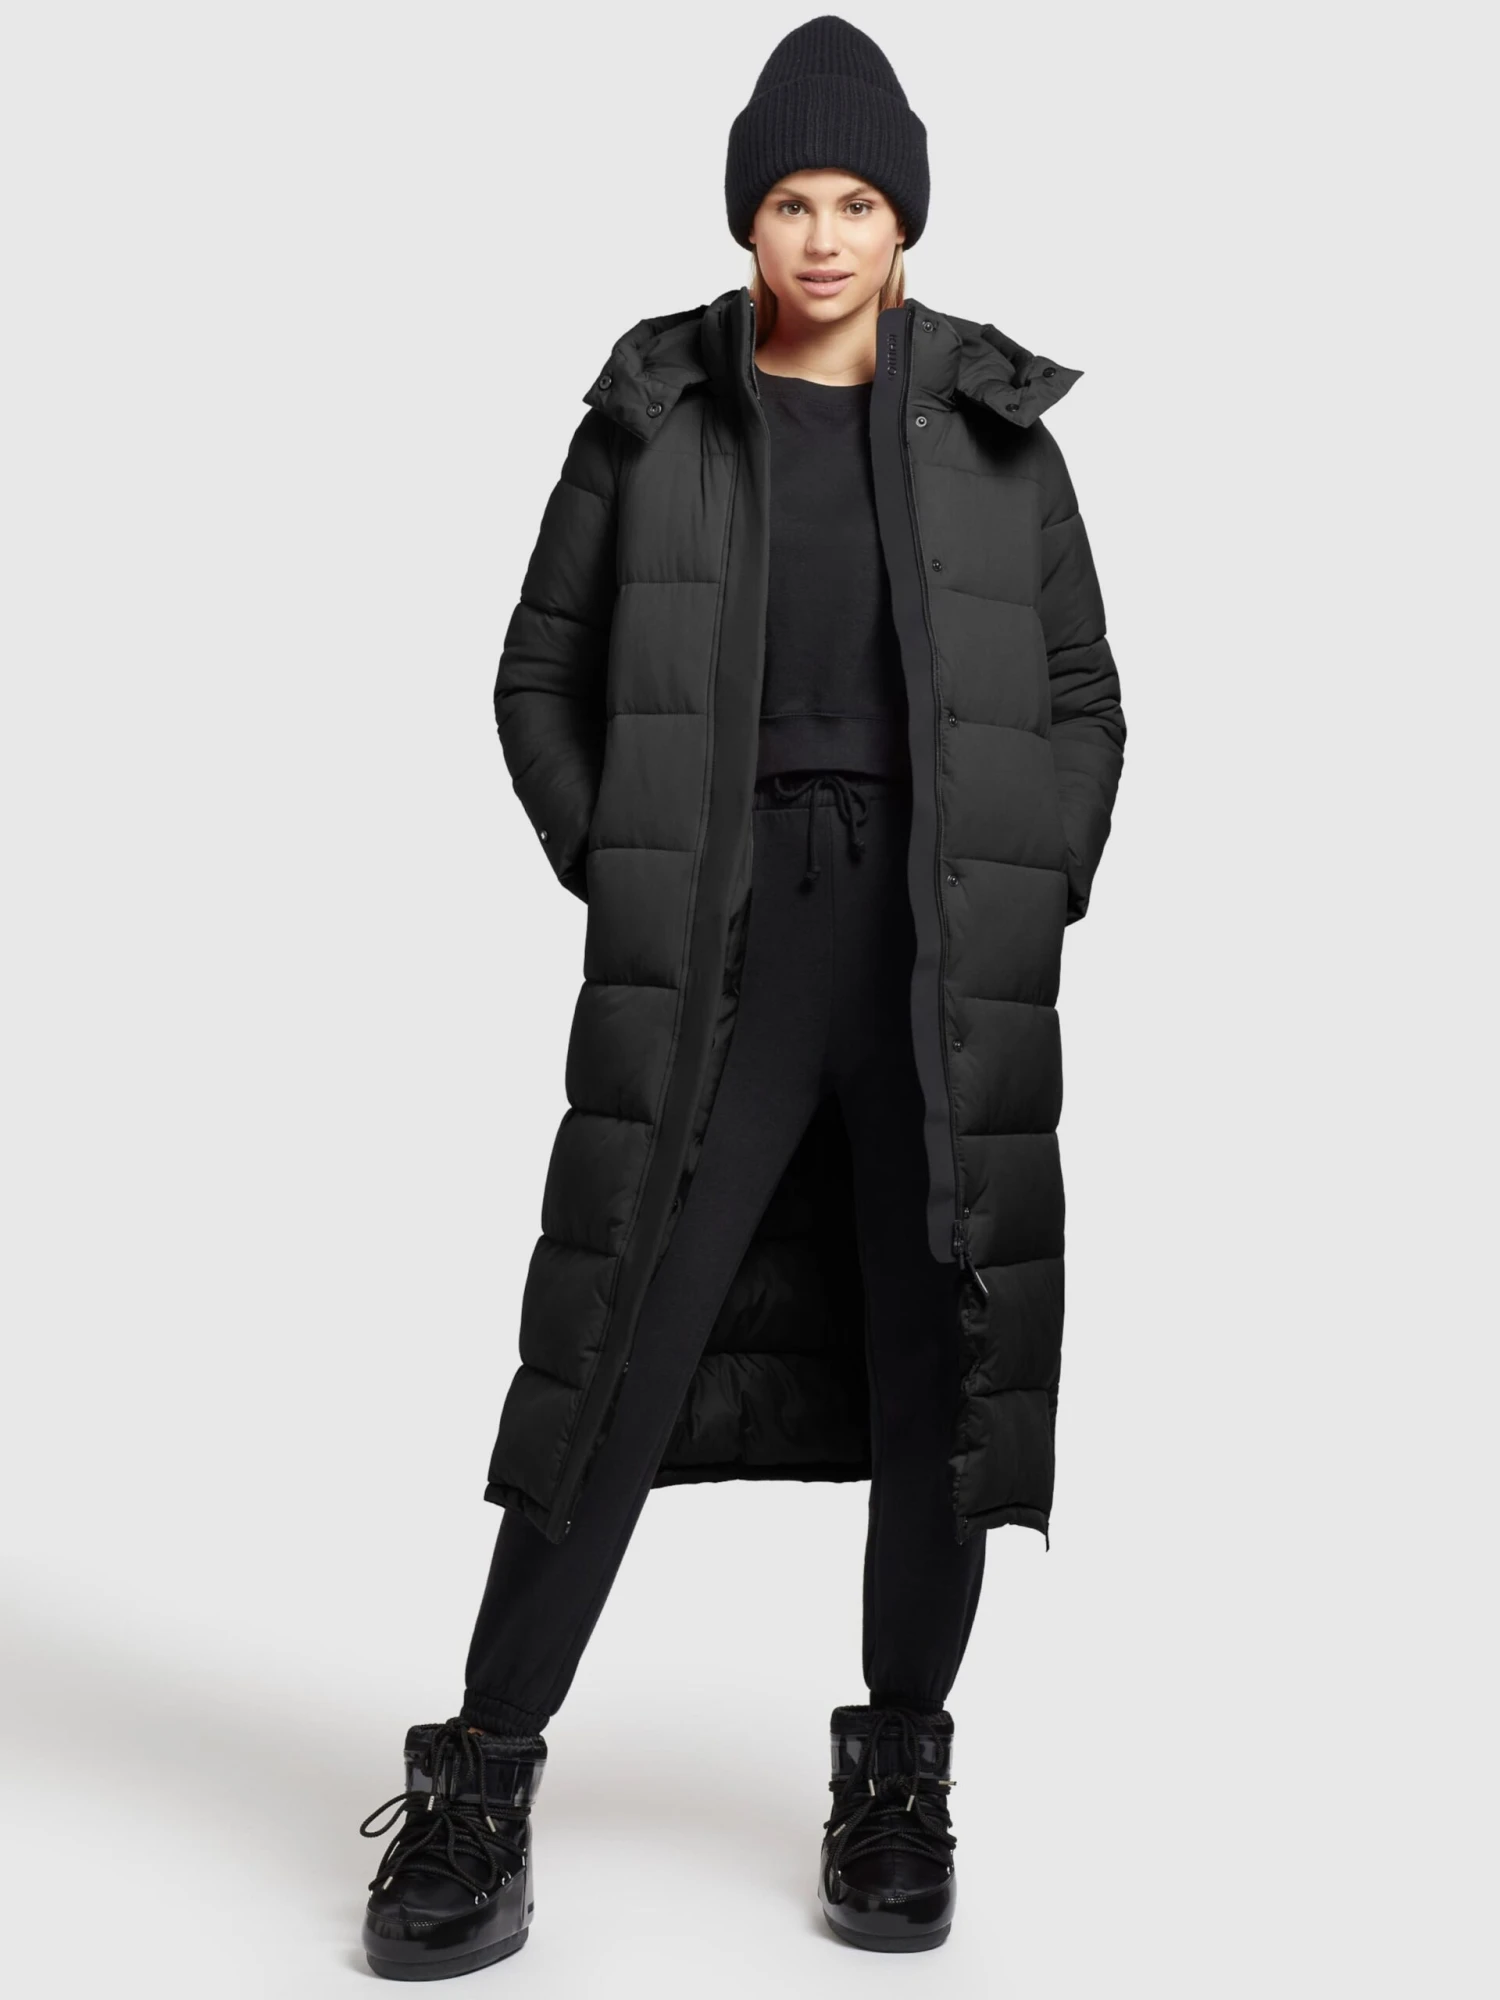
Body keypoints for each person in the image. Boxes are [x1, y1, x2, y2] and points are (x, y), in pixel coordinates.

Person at [356, 14, 1126, 1978]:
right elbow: (534, 674)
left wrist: (1030, 895)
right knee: (616, 1344)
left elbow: (1077, 697)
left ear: (904, 219)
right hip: (723, 940)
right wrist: (625, 859)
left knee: (941, 1350)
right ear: (747, 215)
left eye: (858, 199)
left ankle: (898, 1777)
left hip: (936, 954)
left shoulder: (996, 435)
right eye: (792, 198)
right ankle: (480, 1778)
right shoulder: (654, 413)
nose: (824, 234)